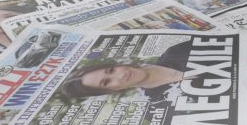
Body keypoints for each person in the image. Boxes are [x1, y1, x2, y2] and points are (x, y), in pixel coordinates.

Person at [60, 38, 192, 100]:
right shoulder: (158, 104)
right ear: (112, 90)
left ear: (117, 65)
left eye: (111, 71)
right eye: (106, 82)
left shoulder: (176, 51)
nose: (120, 76)